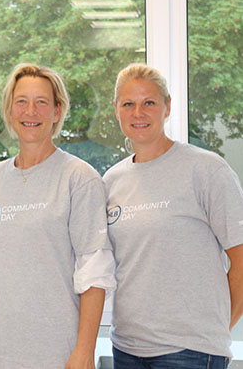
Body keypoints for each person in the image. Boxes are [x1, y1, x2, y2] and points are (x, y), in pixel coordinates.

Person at [0, 63, 116, 369]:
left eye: (41, 102)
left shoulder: (78, 178)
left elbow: (95, 272)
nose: (30, 111)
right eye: (21, 101)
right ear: (9, 110)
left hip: (59, 353)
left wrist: (84, 351)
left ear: (57, 112)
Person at [103, 63, 243, 368]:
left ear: (167, 107)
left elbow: (241, 260)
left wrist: (216, 328)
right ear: (116, 109)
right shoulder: (111, 181)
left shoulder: (206, 169)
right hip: (126, 349)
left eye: (149, 102)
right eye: (129, 104)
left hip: (189, 352)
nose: (138, 112)